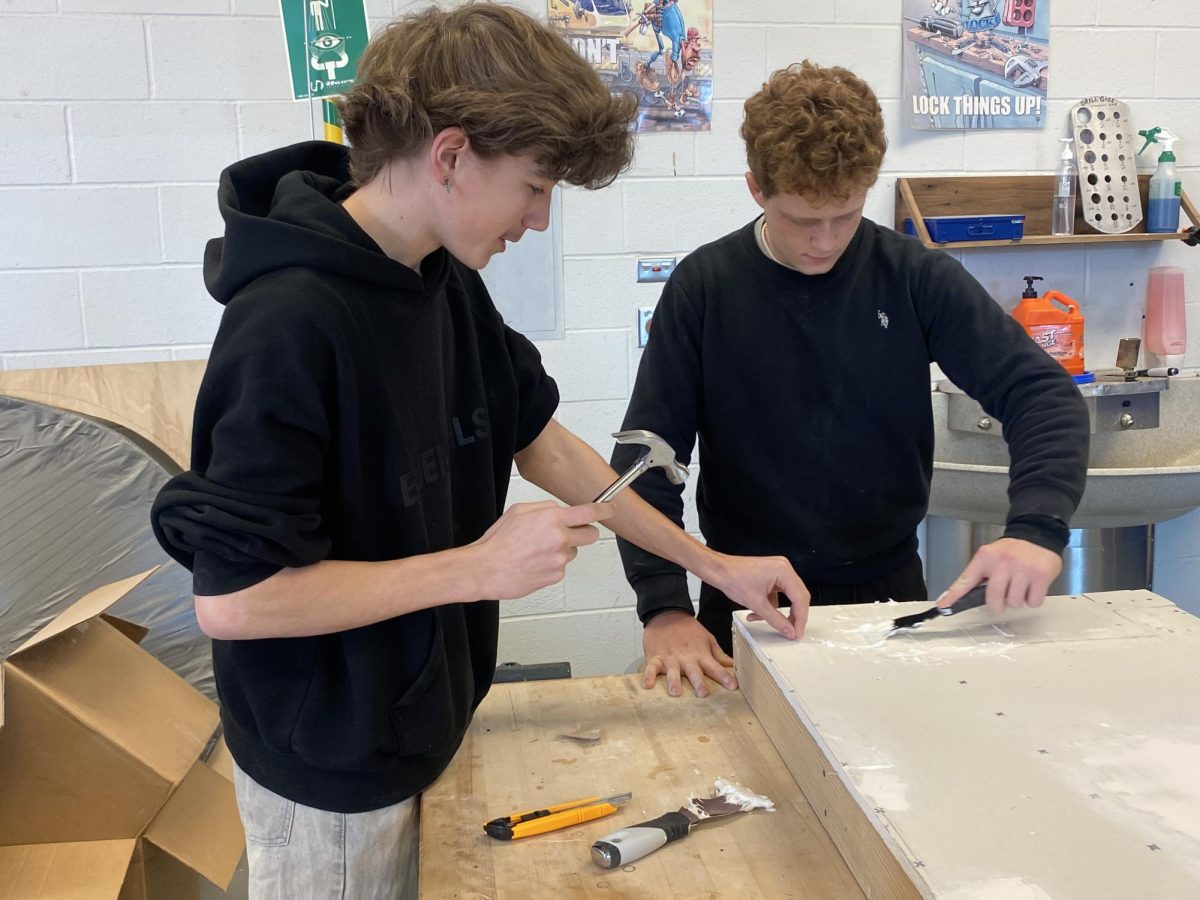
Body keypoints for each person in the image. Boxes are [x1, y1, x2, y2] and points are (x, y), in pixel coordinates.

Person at [150, 5, 805, 897]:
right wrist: (473, 568)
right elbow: (235, 604)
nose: (537, 220)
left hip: (429, 724)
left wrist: (711, 565)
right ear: (451, 156)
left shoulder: (441, 278)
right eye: (535, 186)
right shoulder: (288, 321)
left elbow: (543, 446)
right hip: (334, 773)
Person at [612, 60, 1090, 699]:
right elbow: (647, 458)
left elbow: (1042, 395)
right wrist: (664, 604)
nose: (826, 242)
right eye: (803, 221)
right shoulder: (704, 289)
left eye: (846, 215)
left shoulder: (914, 277)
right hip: (749, 597)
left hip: (889, 595)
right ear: (757, 188)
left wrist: (1036, 528)